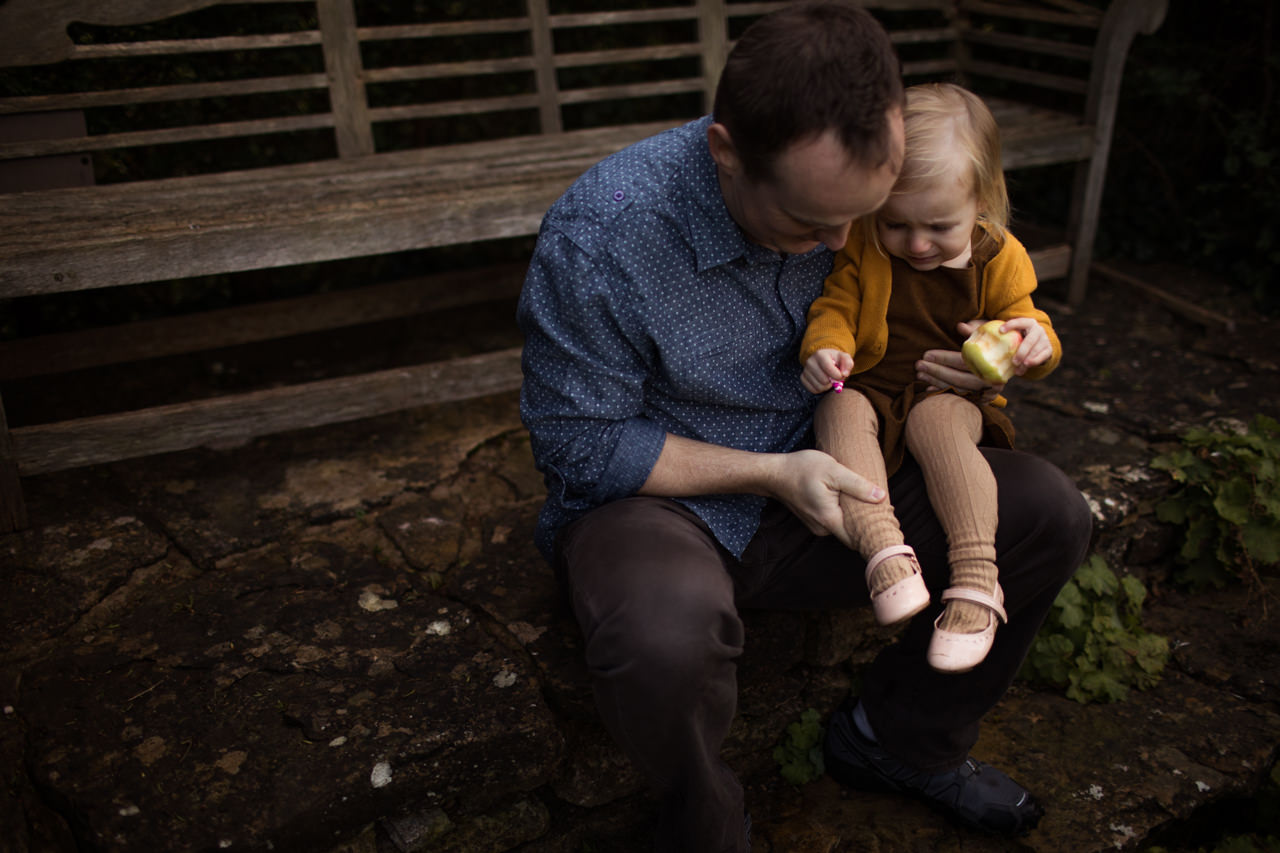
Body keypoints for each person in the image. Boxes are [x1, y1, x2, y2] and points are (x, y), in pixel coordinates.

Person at [517, 3, 1091, 850]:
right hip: (673, 501)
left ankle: (899, 740)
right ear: (726, 154)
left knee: (1049, 510)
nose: (845, 243)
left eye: (868, 218)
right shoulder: (605, 237)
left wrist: (981, 358)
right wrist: (770, 473)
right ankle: (705, 825)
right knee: (662, 636)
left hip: (846, 468)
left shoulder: (872, 202)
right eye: (811, 226)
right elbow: (581, 445)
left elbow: (968, 285)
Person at [798, 82, 1061, 674]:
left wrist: (1033, 344)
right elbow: (836, 305)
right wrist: (826, 348)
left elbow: (1030, 325)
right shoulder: (865, 245)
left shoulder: (999, 256)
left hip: (947, 394)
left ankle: (976, 578)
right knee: (836, 411)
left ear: (983, 201)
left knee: (937, 423)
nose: (915, 244)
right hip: (869, 384)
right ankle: (884, 553)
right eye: (895, 225)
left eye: (939, 227)